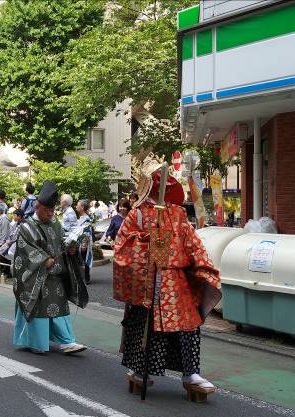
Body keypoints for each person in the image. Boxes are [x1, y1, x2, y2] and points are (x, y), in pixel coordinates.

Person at [113, 156, 221, 401]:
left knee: (187, 326)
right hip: (147, 281)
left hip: (176, 283)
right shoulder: (136, 215)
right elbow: (121, 247)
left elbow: (193, 243)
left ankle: (190, 373)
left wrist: (203, 266)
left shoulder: (178, 214)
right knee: (145, 327)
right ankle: (140, 369)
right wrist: (145, 243)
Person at [12, 181, 88, 355]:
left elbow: (61, 241)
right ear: (36, 207)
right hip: (37, 277)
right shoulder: (26, 227)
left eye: (52, 211)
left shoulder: (55, 223)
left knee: (60, 309)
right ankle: (35, 342)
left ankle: (67, 342)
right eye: (47, 211)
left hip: (56, 275)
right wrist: (43, 260)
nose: (50, 214)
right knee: (38, 310)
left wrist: (71, 248)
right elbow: (25, 251)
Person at [75, 199, 94, 285]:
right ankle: (84, 277)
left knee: (85, 259)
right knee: (82, 259)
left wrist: (84, 244)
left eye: (77, 205)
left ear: (82, 207)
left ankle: (86, 277)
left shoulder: (86, 218)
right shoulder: (82, 218)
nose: (76, 206)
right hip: (80, 242)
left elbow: (87, 232)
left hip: (83, 242)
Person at [0, 204, 11, 277]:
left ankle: (5, 273)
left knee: (5, 257)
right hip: (0, 241)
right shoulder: (0, 217)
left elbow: (5, 231)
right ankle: (2, 272)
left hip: (3, 242)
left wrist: (2, 242)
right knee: (2, 257)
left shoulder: (4, 218)